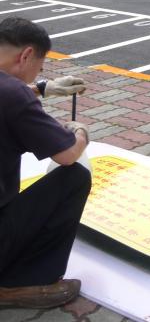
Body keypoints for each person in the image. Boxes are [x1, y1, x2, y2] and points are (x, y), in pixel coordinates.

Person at [0, 17, 91, 309]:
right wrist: (80, 132)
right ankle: (19, 282)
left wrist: (42, 87)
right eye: (39, 66)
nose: (38, 72)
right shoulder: (13, 94)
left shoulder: (13, 93)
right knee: (75, 176)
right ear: (26, 55)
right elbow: (66, 155)